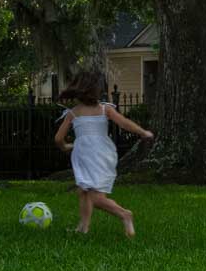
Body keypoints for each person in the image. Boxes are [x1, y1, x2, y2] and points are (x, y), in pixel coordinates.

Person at [52, 68, 154, 237]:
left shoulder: (74, 113)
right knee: (83, 191)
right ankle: (83, 227)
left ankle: (124, 215)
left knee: (95, 197)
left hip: (91, 157)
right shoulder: (104, 109)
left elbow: (58, 139)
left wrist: (65, 147)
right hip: (98, 155)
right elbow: (125, 124)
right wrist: (143, 132)